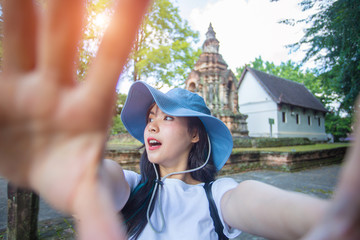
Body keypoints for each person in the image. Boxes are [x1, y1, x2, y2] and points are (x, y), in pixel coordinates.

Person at [0, 0, 359, 240]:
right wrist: (71, 165)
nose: (151, 125)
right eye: (150, 117)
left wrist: (324, 219)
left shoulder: (218, 197)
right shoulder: (130, 188)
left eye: (167, 116)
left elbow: (255, 203)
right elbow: (96, 179)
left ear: (195, 135)